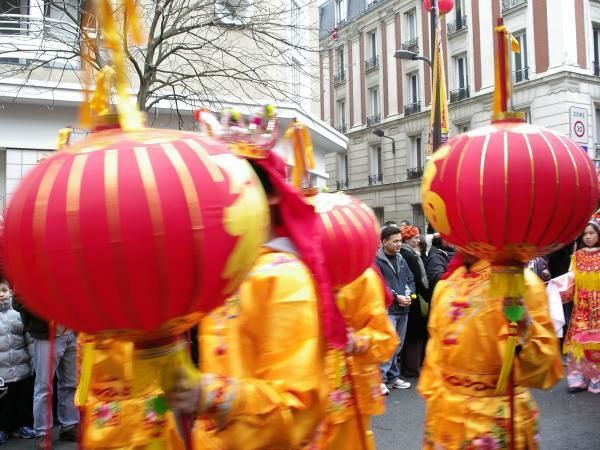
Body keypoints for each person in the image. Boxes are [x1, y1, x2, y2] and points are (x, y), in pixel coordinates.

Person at [165, 150, 345, 449]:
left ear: (271, 193)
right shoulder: (228, 274)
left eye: (231, 186)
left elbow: (296, 405)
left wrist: (210, 394)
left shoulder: (284, 276)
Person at [418, 252, 562, 449]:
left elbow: (543, 367)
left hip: (497, 418)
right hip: (445, 417)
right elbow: (434, 355)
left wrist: (524, 324)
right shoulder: (447, 285)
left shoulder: (521, 282)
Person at [316, 268, 398, 449]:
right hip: (305, 382)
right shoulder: (292, 270)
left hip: (346, 379)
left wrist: (359, 342)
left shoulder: (360, 274)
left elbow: (382, 332)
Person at [75, 336, 184, 449]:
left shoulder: (155, 328)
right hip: (112, 411)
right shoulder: (90, 333)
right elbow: (84, 382)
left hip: (148, 407)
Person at [16, 303, 79, 447]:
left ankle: (69, 425)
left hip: (71, 331)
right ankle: (42, 432)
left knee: (71, 383)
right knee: (44, 386)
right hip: (46, 334)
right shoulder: (31, 278)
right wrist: (44, 313)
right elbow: (19, 300)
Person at [375, 225, 415, 395]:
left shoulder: (401, 259)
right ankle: (380, 380)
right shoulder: (376, 261)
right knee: (387, 346)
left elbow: (411, 279)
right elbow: (379, 285)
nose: (399, 244)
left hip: (403, 308)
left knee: (397, 345)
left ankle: (393, 377)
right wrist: (395, 296)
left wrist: (410, 295)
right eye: (395, 241)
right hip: (388, 309)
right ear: (384, 242)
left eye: (400, 240)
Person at [563, 221, 600, 394]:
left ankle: (596, 377)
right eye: (585, 234)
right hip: (583, 305)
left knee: (596, 341)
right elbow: (570, 279)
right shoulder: (576, 256)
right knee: (579, 340)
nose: (588, 236)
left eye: (592, 233)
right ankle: (578, 378)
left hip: (598, 303)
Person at [0, 279, 35, 444]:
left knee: (23, 399)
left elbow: (29, 339)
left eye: (4, 290)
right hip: (2, 373)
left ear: (11, 292)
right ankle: (3, 428)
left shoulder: (18, 314)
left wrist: (34, 360)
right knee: (4, 403)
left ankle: (23, 425)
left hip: (22, 368)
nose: (1, 294)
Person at [399, 225, 430, 378]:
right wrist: (426, 293)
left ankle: (409, 367)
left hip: (410, 297)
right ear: (408, 240)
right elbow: (417, 279)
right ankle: (412, 368)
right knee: (414, 335)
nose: (418, 241)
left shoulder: (405, 253)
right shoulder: (410, 256)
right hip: (414, 298)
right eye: (415, 238)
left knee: (409, 335)